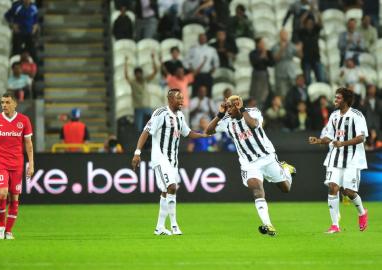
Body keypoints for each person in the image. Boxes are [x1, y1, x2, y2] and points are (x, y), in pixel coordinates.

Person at [206, 95, 296, 236]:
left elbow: (253, 125)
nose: (228, 110)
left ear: (238, 105)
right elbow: (208, 131)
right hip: (249, 164)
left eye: (231, 106)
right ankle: (268, 224)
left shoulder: (253, 112)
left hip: (267, 157)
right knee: (256, 189)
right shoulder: (226, 121)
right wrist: (220, 114)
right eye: (227, 106)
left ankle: (285, 169)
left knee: (286, 188)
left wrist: (241, 109)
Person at [131, 88, 210, 236]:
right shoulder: (160, 113)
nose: (182, 101)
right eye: (179, 98)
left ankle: (159, 227)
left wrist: (204, 135)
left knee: (166, 192)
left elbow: (187, 133)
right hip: (160, 158)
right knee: (172, 187)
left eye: (182, 98)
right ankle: (174, 226)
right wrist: (137, 153)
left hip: (173, 160)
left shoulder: (180, 116)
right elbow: (146, 131)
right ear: (170, 99)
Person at [308, 87, 369, 233]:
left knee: (348, 191)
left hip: (352, 158)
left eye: (338, 98)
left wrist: (343, 143)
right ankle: (335, 225)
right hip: (336, 157)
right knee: (333, 187)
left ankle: (362, 212)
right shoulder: (334, 115)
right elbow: (329, 136)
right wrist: (319, 140)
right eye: (335, 97)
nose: (335, 100)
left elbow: (361, 137)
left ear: (346, 100)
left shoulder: (356, 115)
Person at [0, 92, 34, 240]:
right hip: (0, 162)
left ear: (14, 104)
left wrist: (31, 164)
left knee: (14, 198)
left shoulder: (24, 120)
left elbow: (28, 144)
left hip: (17, 164)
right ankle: (0, 226)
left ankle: (9, 231)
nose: (4, 105)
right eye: (2, 102)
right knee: (3, 193)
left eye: (7, 102)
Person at [125, 54, 157, 134]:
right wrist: (125, 63)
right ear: (135, 74)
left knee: (151, 127)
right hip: (138, 108)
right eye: (137, 73)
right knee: (139, 129)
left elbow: (155, 71)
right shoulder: (133, 83)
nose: (139, 75)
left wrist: (153, 59)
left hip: (147, 107)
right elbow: (126, 76)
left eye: (140, 73)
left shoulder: (145, 80)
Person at [249, 37, 275, 109]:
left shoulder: (268, 52)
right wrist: (262, 56)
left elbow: (272, 63)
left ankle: (262, 108)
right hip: (256, 74)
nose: (263, 44)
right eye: (262, 43)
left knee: (264, 93)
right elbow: (255, 63)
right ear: (257, 44)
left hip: (265, 73)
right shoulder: (253, 53)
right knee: (255, 92)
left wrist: (266, 57)